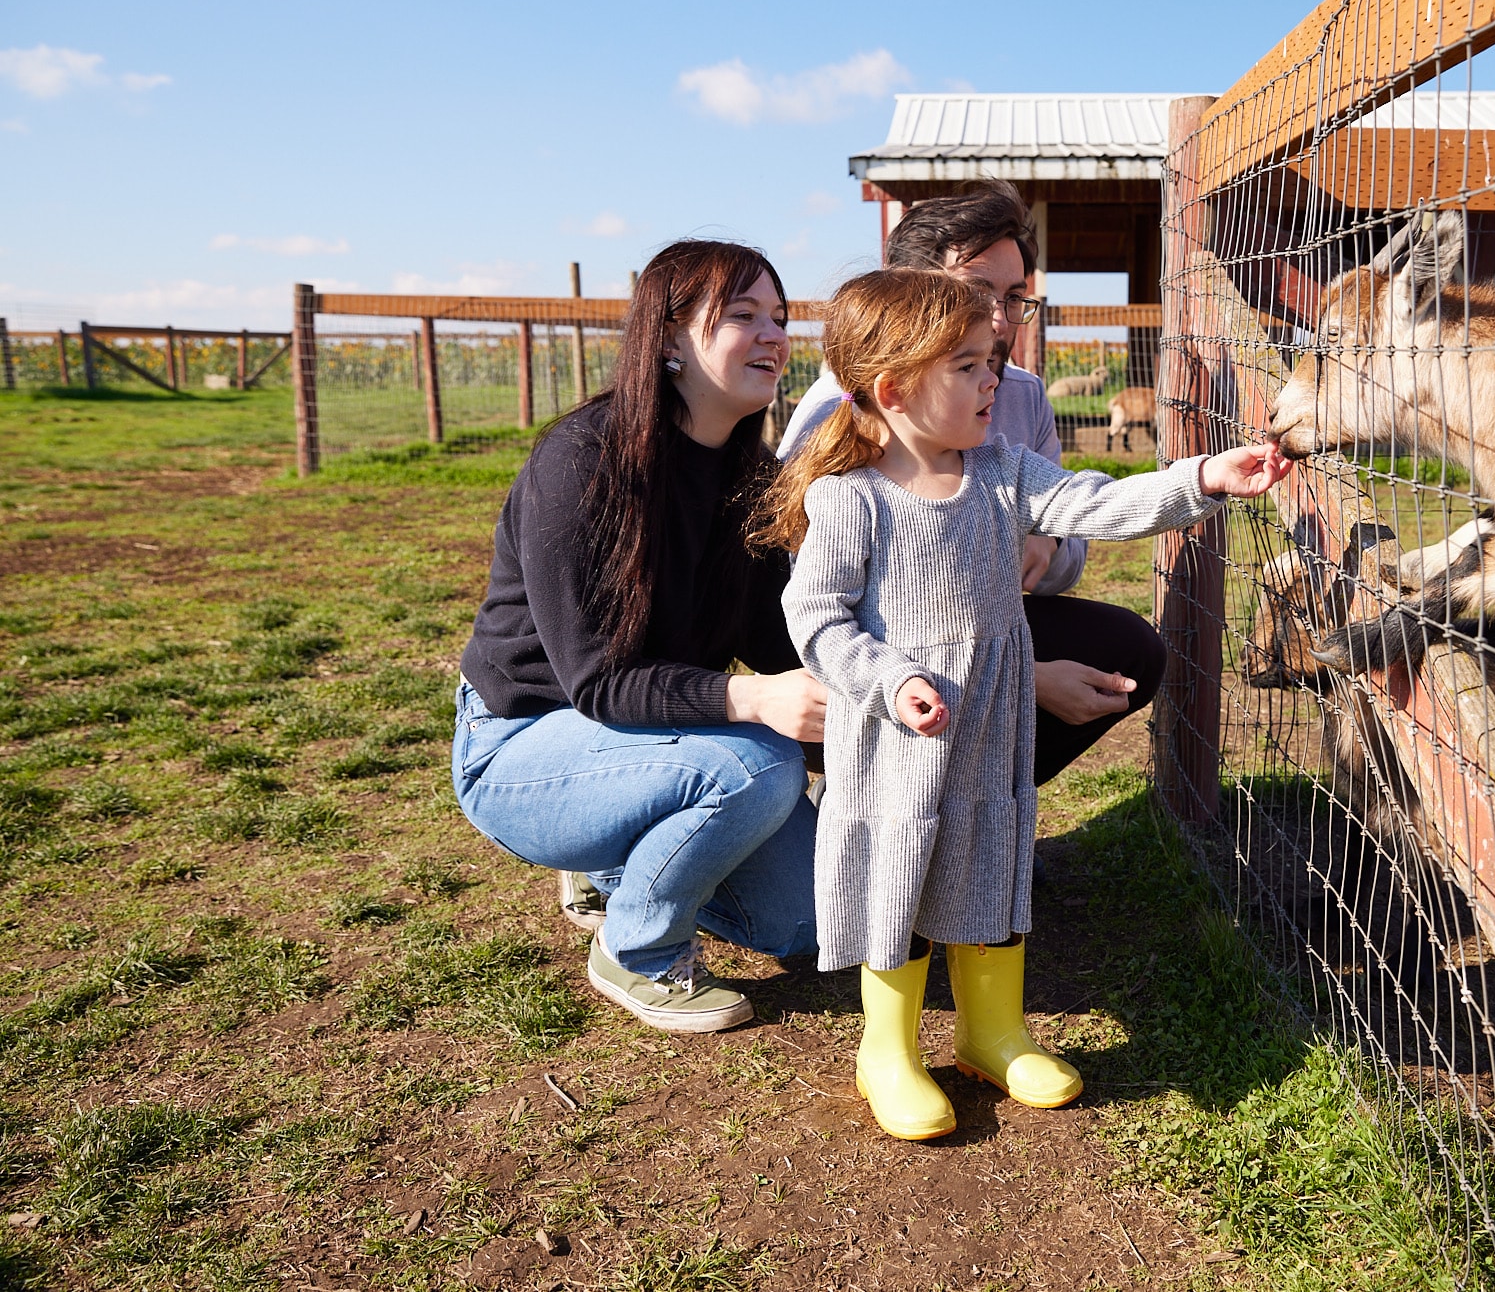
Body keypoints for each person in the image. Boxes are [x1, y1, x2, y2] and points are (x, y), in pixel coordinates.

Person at [754, 268, 1291, 1140]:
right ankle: (886, 1050)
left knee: (991, 859)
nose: (991, 380)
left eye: (990, 360)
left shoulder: (1004, 471)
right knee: (904, 875)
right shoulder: (849, 498)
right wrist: (892, 680)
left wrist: (1205, 477)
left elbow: (1101, 502)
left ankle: (993, 1033)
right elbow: (813, 622)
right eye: (966, 365)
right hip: (899, 743)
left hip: (992, 728)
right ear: (892, 391)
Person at [452, 240, 830, 1035]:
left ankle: (615, 857)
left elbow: (771, 637)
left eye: (781, 318)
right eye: (742, 316)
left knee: (813, 922)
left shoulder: (748, 476)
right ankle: (638, 949)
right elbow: (598, 683)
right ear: (666, 339)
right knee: (757, 764)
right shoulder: (583, 461)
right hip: (524, 742)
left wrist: (868, 704)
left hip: (652, 737)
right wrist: (757, 701)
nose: (774, 336)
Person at [778, 179, 1162, 785]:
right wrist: (1027, 676)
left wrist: (1049, 544)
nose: (1000, 321)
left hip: (982, 619)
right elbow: (815, 597)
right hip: (872, 642)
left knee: (1131, 649)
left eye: (1015, 297)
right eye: (978, 292)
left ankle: (989, 807)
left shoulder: (1023, 396)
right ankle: (860, 788)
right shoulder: (840, 409)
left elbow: (1077, 525)